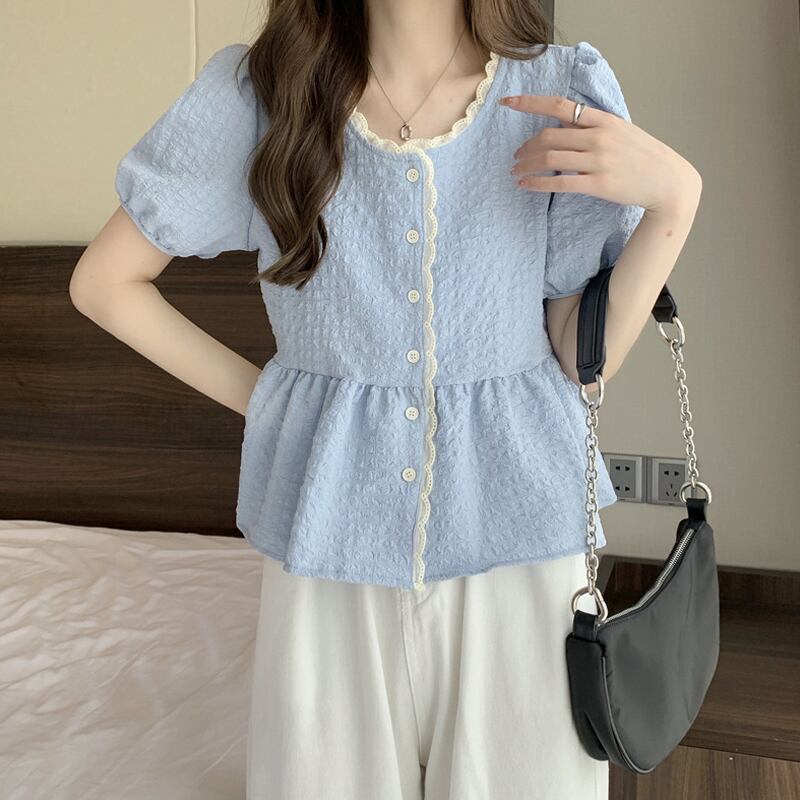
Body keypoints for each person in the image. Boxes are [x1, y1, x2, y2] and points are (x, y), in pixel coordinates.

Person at [70, 0, 702, 797]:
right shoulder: (263, 96)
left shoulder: (555, 90)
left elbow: (581, 357)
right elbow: (104, 283)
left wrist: (676, 200)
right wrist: (275, 406)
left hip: (518, 539)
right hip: (331, 539)